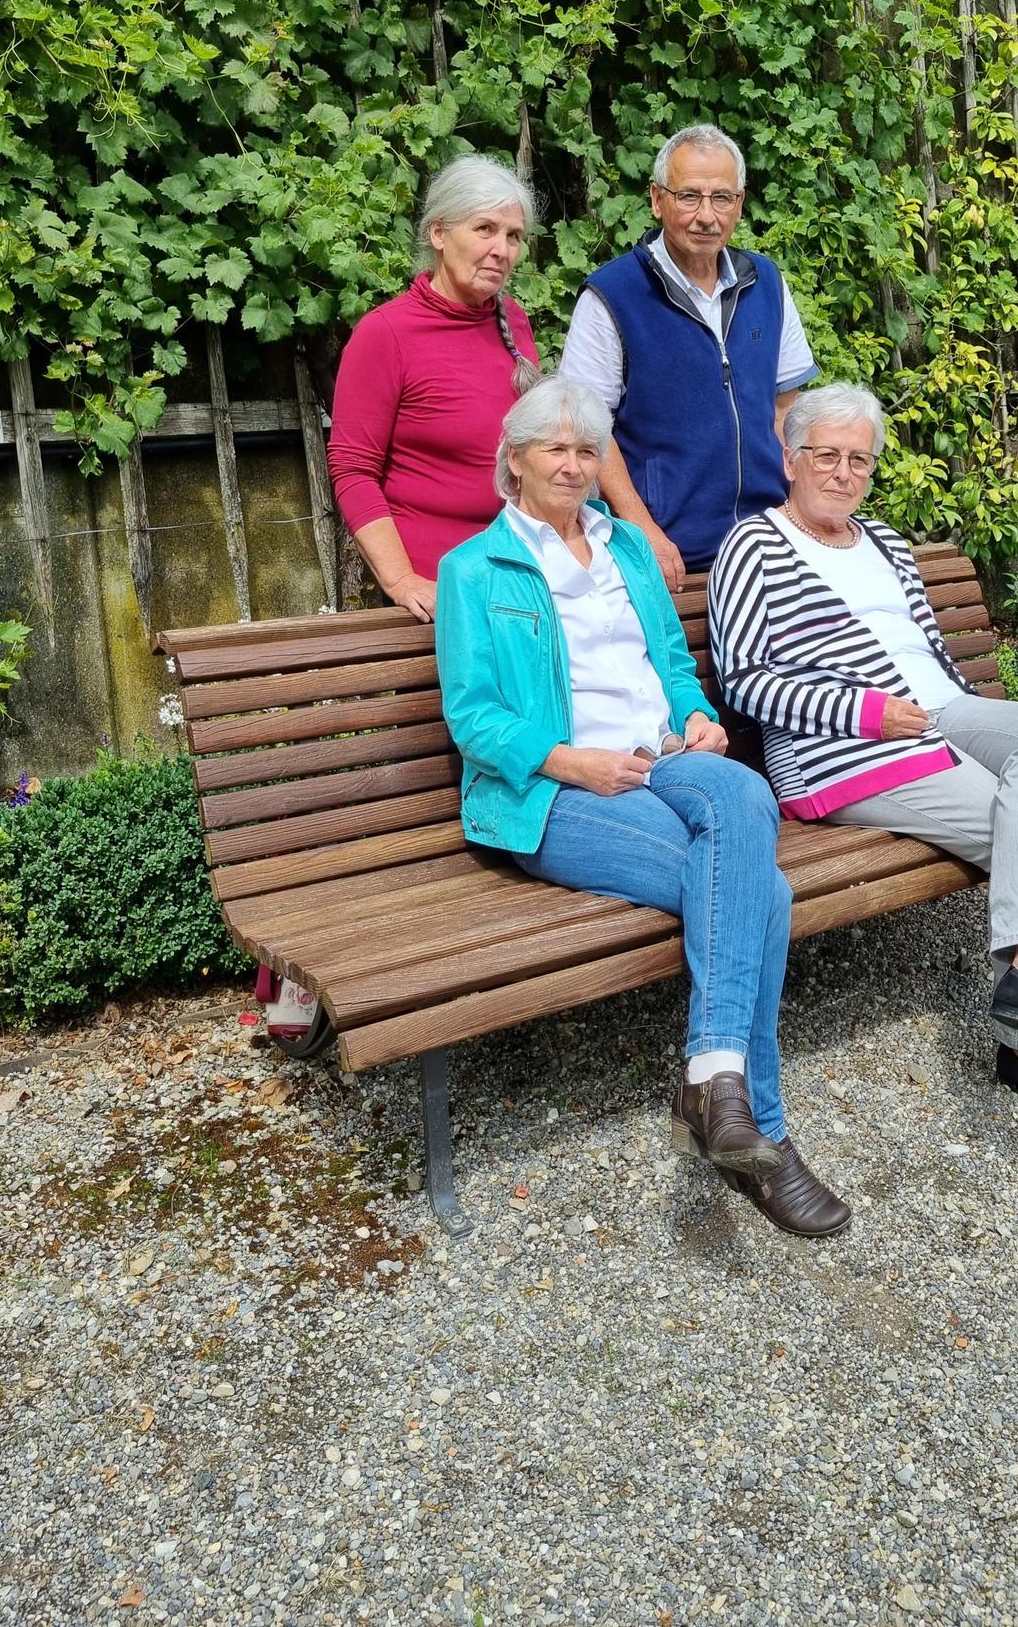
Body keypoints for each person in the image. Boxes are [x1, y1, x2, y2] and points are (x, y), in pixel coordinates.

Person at [436, 375, 850, 1237]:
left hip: (659, 760)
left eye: (588, 450)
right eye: (556, 448)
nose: (575, 465)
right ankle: (756, 1127)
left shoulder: (625, 547)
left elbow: (668, 658)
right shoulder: (473, 570)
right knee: (761, 892)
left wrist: (695, 715)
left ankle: (710, 1073)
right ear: (513, 459)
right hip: (549, 793)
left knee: (739, 787)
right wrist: (570, 762)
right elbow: (473, 715)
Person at [708, 382, 1018, 1134]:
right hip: (842, 748)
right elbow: (744, 681)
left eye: (860, 460)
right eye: (828, 456)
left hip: (944, 711)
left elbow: (927, 653)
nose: (844, 473)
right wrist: (865, 711)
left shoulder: (882, 540)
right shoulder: (752, 546)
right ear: (791, 459)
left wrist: (950, 714)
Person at [559, 124, 818, 588]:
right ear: (657, 200)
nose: (706, 215)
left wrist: (796, 513)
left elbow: (787, 409)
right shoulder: (612, 296)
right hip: (671, 554)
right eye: (689, 196)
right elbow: (587, 429)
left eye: (721, 197)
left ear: (739, 204)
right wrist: (642, 531)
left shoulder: (767, 283)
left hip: (768, 540)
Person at [327, 154, 540, 620]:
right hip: (440, 589)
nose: (502, 249)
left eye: (513, 235)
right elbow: (352, 469)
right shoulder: (386, 333)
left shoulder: (515, 323)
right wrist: (401, 580)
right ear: (439, 234)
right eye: (485, 229)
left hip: (521, 576)